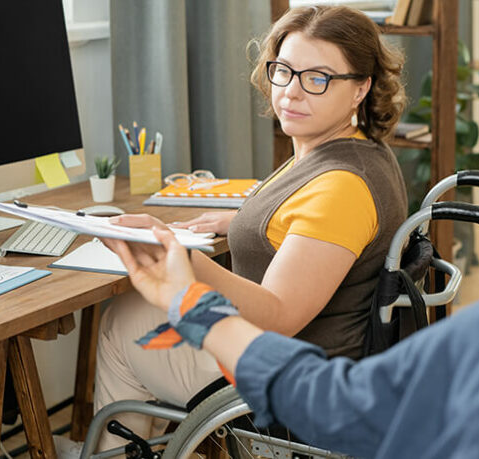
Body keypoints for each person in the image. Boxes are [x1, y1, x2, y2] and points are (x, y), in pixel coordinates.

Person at [102, 27, 479, 458]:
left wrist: (187, 279)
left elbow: (289, 335)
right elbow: (325, 396)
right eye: (284, 71)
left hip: (302, 351)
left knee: (119, 324)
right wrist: (209, 265)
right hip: (314, 361)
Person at [82, 5, 409, 452]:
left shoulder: (342, 187)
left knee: (120, 325)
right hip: (304, 352)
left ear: (360, 89)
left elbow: (278, 315)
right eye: (284, 71)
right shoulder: (346, 151)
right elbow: (310, 227)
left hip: (283, 373)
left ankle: (119, 448)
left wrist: (185, 260)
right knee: (132, 317)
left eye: (318, 79)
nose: (292, 92)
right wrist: (242, 221)